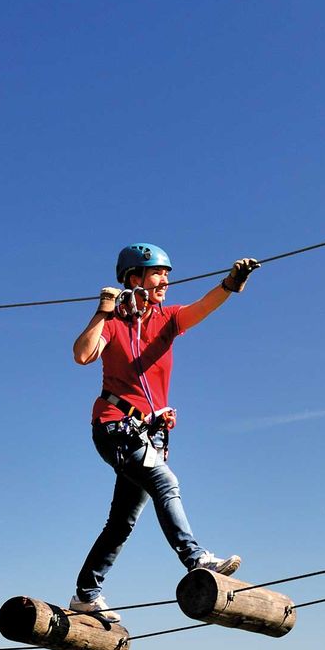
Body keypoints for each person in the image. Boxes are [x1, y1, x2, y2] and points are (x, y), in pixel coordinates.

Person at [68, 243, 259, 621]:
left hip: (148, 433)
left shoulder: (167, 319)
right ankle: (195, 557)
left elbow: (201, 308)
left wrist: (230, 283)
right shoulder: (115, 322)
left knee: (122, 522)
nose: (165, 281)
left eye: (167, 274)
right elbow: (82, 354)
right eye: (158, 273)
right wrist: (102, 312)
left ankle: (86, 594)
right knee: (165, 483)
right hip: (114, 425)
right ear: (133, 278)